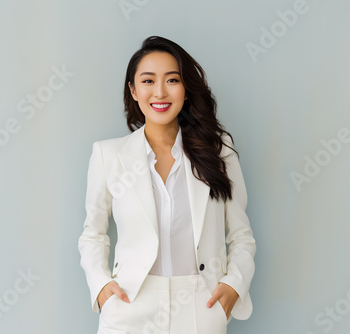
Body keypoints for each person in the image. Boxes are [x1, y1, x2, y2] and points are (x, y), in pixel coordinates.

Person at [78, 35, 256, 334]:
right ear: (133, 91)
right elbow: (93, 234)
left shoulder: (218, 151)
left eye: (172, 80)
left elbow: (241, 235)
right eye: (148, 81)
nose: (160, 91)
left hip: (202, 304)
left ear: (186, 90)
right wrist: (102, 288)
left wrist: (233, 285)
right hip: (130, 303)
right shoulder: (108, 155)